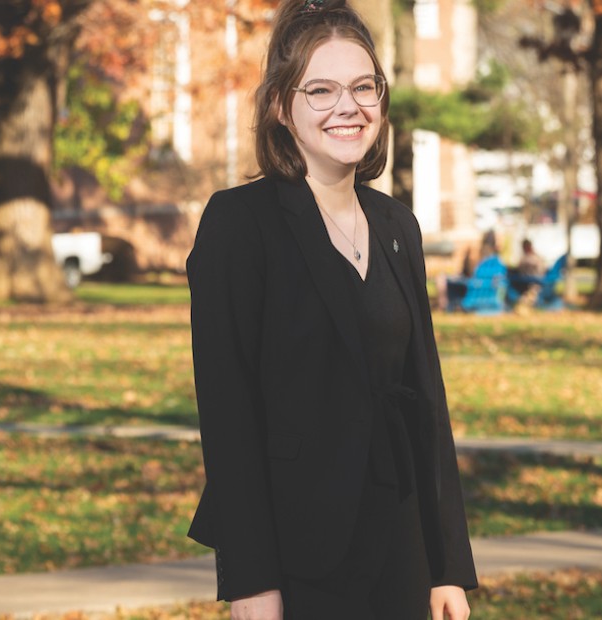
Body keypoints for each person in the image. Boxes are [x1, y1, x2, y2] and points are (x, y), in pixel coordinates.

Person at [185, 1, 478, 618]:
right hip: (297, 556)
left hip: (399, 545)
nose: (348, 106)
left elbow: (427, 400)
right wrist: (250, 582)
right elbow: (229, 416)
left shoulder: (398, 224)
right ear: (279, 107)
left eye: (363, 86)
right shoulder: (241, 224)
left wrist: (446, 565)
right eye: (320, 89)